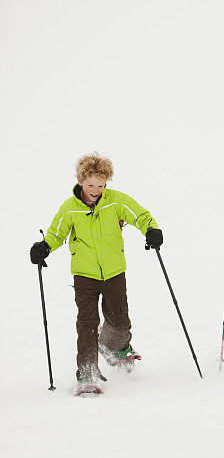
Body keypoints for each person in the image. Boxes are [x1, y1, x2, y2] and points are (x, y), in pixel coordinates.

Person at [30, 153, 163, 394]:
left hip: (114, 272)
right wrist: (44, 247)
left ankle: (114, 346)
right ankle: (88, 372)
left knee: (120, 318)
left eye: (100, 185)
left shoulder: (115, 201)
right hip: (84, 275)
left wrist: (151, 230)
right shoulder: (70, 208)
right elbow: (56, 234)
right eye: (91, 185)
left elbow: (140, 215)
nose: (95, 190)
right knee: (87, 323)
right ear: (80, 181)